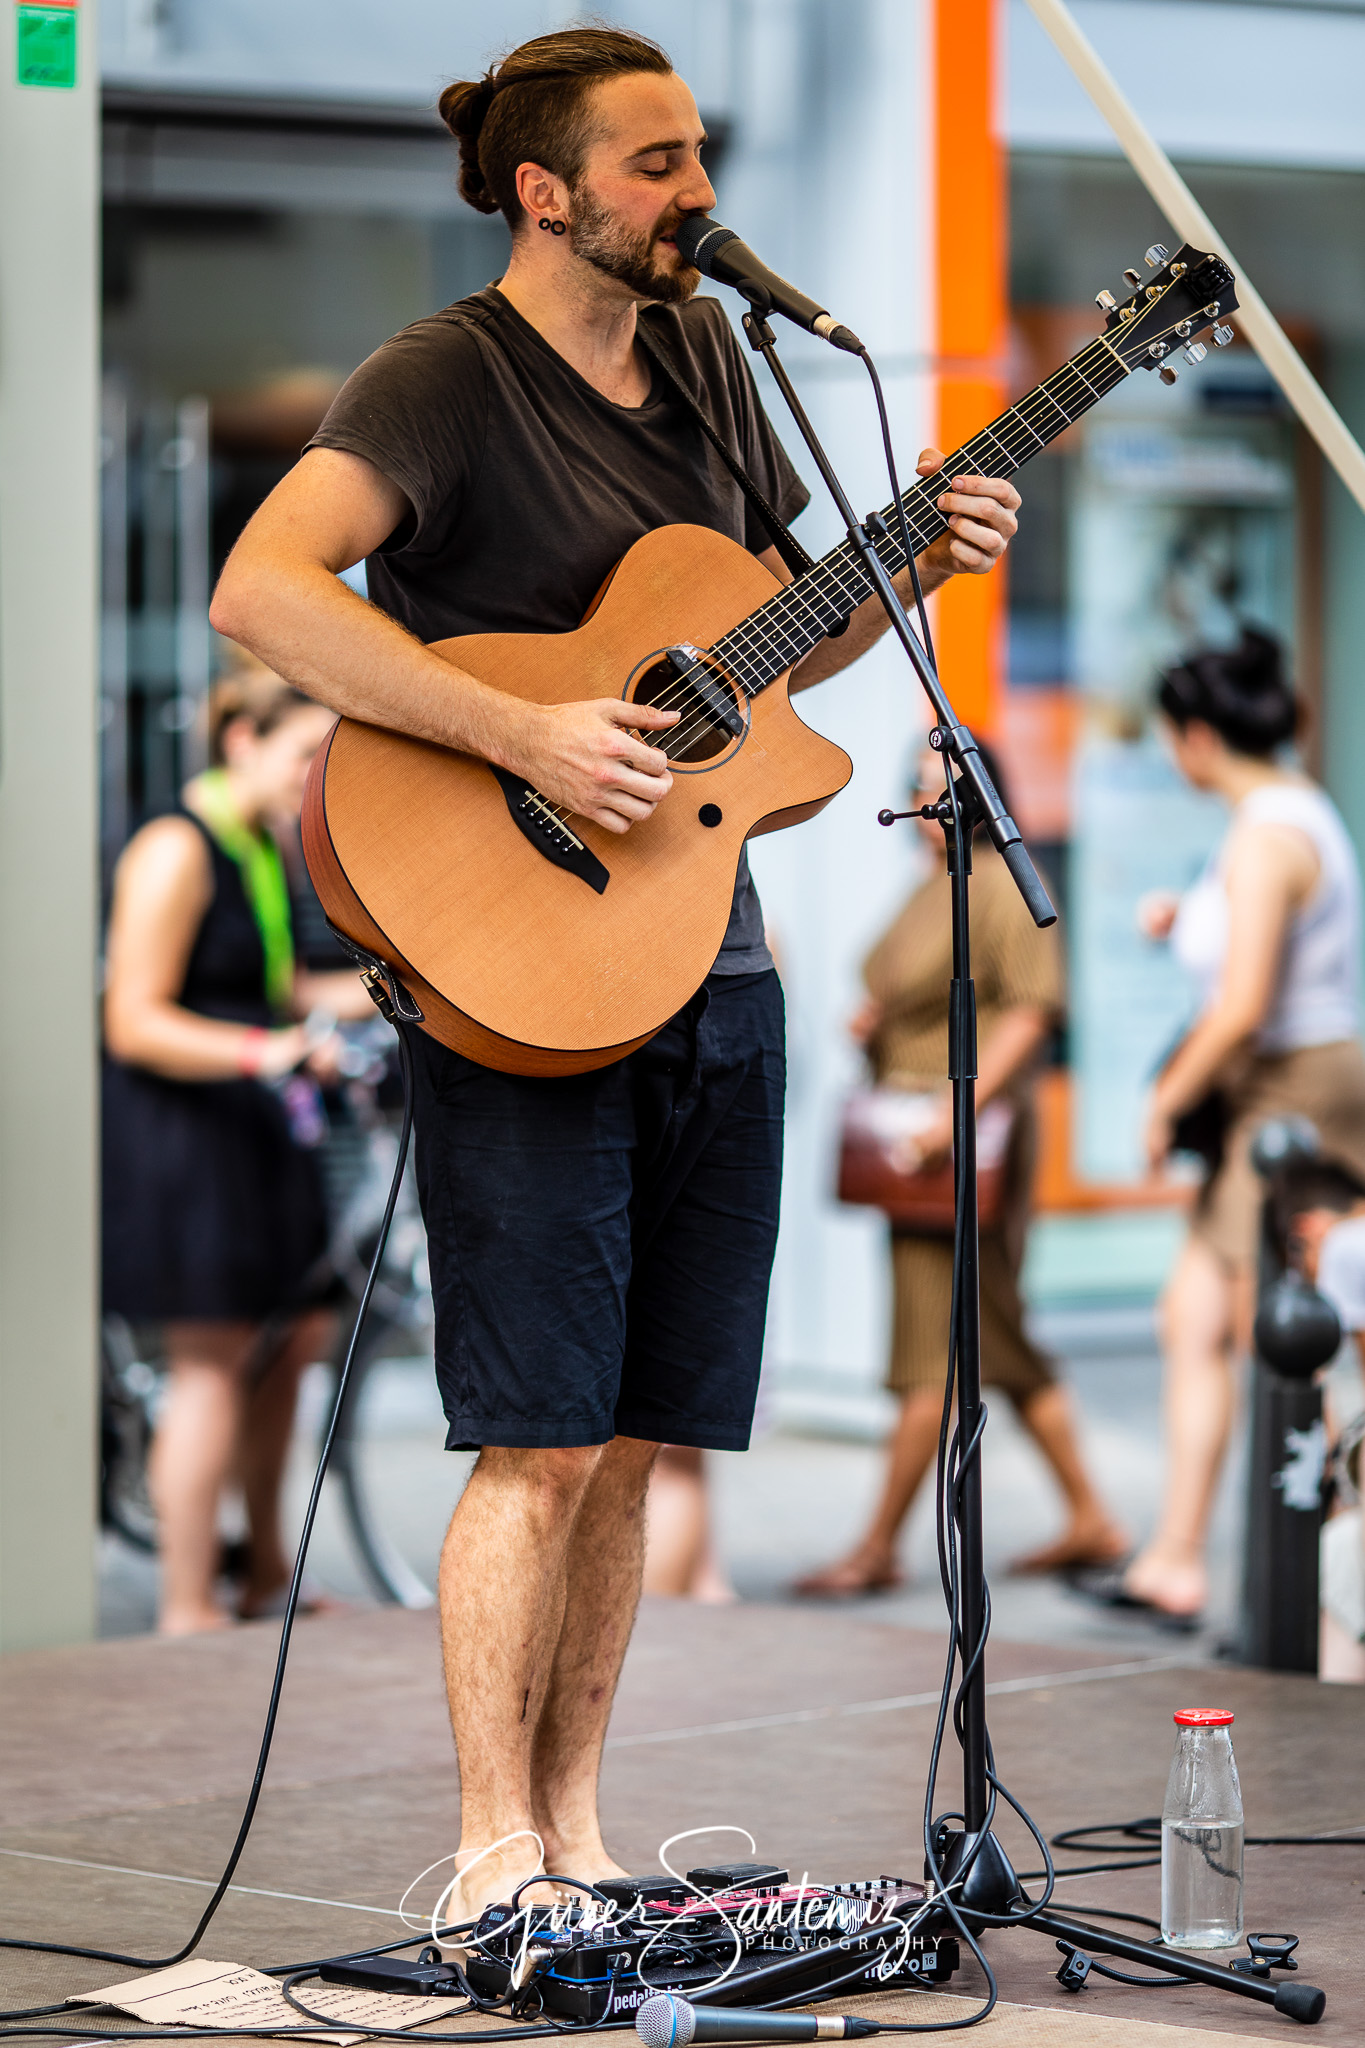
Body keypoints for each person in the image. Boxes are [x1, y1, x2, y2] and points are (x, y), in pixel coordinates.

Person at [207, 25, 1021, 1914]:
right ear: (543, 189)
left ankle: (578, 1826)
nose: (697, 190)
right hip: (516, 956)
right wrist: (525, 737)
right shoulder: (444, 377)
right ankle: (494, 1848)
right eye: (654, 162)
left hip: (704, 949)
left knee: (643, 1433)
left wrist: (913, 570)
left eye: (699, 151)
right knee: (545, 1435)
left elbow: (750, 667)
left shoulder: (721, 363)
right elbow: (263, 590)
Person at [796, 742, 1124, 1598]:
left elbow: (1030, 1011)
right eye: (909, 784)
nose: (915, 799)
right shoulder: (934, 886)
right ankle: (1091, 1516)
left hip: (949, 1151)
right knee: (998, 1339)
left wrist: (954, 1112)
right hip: (915, 1147)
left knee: (925, 1356)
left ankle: (874, 1547)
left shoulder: (993, 887)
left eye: (930, 786)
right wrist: (875, 1023)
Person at [1087, 628, 1365, 1627]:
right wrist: (1180, 920)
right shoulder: (1286, 815)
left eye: (1170, 736)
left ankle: (1335, 1562)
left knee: (1284, 1334)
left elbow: (1245, 1002)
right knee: (1197, 1318)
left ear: (1197, 736)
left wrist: (1161, 1099)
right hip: (1280, 1087)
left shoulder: (1266, 836)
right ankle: (1175, 1556)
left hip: (1292, 1091)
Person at [102, 665, 372, 1635]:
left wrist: (385, 986)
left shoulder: (255, 845)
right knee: (210, 1363)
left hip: (253, 1127)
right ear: (241, 744)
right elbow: (133, 1018)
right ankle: (187, 1603)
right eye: (307, 756)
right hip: (185, 1137)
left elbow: (278, 987)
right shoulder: (176, 846)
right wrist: (273, 1050)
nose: (317, 781)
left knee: (295, 1338)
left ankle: (265, 1569)